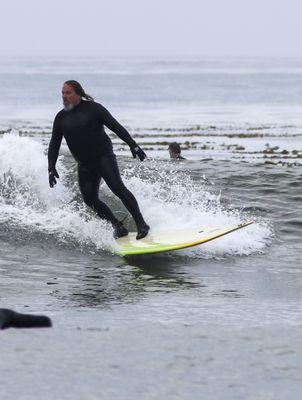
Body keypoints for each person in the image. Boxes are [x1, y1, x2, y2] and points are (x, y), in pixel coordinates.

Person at [48, 80, 150, 240]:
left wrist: (133, 145)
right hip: (84, 164)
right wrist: (51, 167)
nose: (64, 96)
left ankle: (141, 224)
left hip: (103, 158)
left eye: (68, 93)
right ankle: (117, 226)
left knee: (118, 188)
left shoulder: (94, 109)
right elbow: (54, 143)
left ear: (78, 94)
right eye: (62, 92)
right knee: (90, 199)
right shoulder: (61, 118)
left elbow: (116, 126)